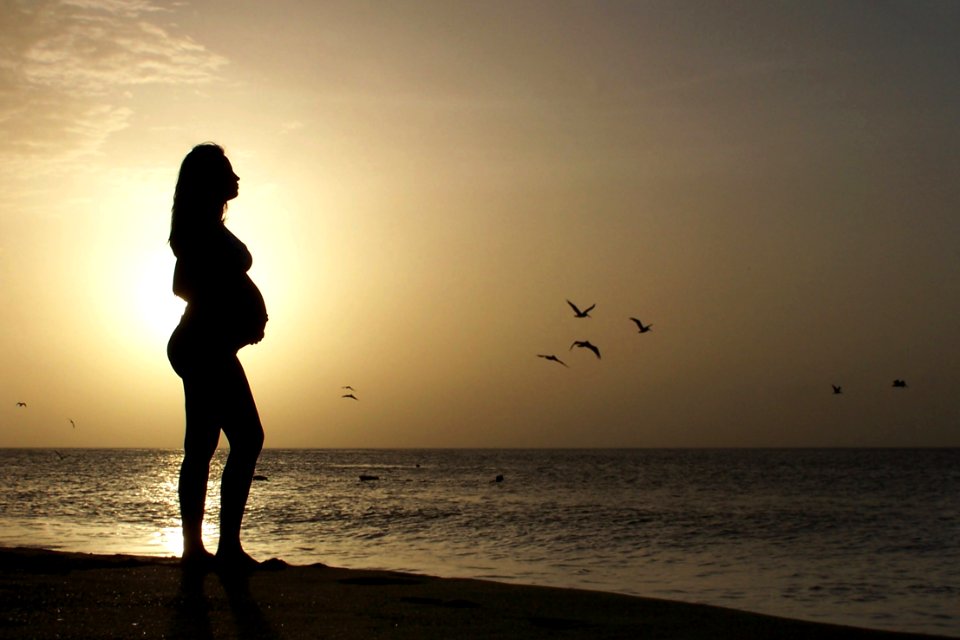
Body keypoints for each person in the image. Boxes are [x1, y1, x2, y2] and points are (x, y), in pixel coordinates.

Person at [166, 143, 268, 571]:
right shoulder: (197, 230)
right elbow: (183, 285)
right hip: (203, 343)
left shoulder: (206, 224)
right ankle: (221, 548)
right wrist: (233, 313)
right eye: (228, 170)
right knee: (247, 438)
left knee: (203, 444)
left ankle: (202, 549)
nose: (237, 177)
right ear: (210, 179)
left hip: (208, 343)